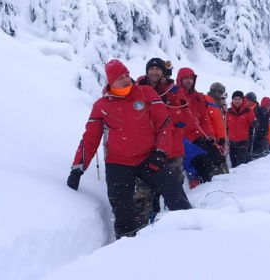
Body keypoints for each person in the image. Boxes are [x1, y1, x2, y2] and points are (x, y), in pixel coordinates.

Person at [66, 59, 192, 239]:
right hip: (117, 164)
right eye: (120, 78)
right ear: (111, 82)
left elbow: (165, 125)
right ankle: (125, 249)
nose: (126, 79)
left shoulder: (146, 93)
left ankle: (190, 231)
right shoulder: (102, 106)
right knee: (122, 210)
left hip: (147, 158)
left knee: (174, 189)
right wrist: (77, 169)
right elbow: (89, 140)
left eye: (126, 75)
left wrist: (161, 152)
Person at [133, 58, 183, 226]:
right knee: (143, 194)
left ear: (163, 72)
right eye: (151, 69)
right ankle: (139, 231)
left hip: (172, 150)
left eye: (158, 69)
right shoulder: (137, 88)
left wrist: (164, 110)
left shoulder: (173, 90)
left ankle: (174, 227)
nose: (154, 72)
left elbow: (183, 116)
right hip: (146, 150)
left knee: (173, 191)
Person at [175, 68, 224, 187]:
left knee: (210, 160)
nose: (189, 81)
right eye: (186, 78)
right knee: (196, 165)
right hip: (182, 138)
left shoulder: (197, 97)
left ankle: (207, 186)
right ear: (180, 79)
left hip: (197, 135)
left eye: (191, 78)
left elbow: (204, 120)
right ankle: (196, 189)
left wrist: (210, 135)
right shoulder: (174, 95)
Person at [226, 91, 257, 167]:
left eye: (239, 99)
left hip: (243, 142)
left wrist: (254, 123)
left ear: (243, 100)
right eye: (235, 99)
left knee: (240, 164)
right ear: (232, 100)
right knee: (233, 163)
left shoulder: (248, 111)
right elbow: (225, 126)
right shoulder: (229, 112)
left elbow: (253, 121)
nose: (237, 101)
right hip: (231, 143)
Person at [205, 82, 229, 175]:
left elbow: (220, 123)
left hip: (219, 140)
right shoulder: (209, 102)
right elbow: (210, 122)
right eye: (220, 92)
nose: (221, 95)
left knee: (222, 165)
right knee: (217, 167)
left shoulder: (218, 106)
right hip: (213, 140)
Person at [245, 92, 270, 159]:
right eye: (246, 100)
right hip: (245, 141)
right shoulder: (243, 110)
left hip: (256, 142)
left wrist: (257, 138)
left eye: (249, 101)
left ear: (253, 101)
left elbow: (263, 129)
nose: (247, 102)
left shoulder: (260, 112)